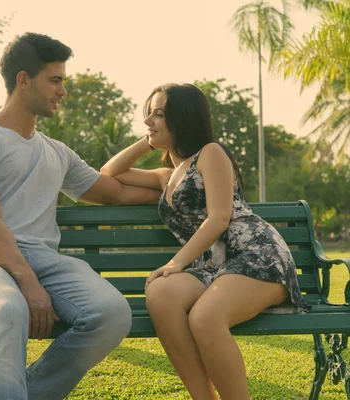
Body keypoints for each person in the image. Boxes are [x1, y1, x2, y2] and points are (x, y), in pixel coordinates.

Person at [0, 32, 161, 400]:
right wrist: (27, 283)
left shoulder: (57, 153)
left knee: (112, 314)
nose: (62, 91)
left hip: (42, 260)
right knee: (8, 308)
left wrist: (174, 184)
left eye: (63, 81)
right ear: (24, 80)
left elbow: (116, 191)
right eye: (54, 80)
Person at [100, 83, 310, 400]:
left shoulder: (211, 154)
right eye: (149, 113)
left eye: (159, 114)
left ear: (182, 118)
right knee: (160, 293)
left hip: (256, 255)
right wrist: (150, 140)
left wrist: (176, 263)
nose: (149, 120)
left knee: (205, 317)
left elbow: (219, 217)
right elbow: (109, 171)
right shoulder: (166, 175)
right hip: (215, 265)